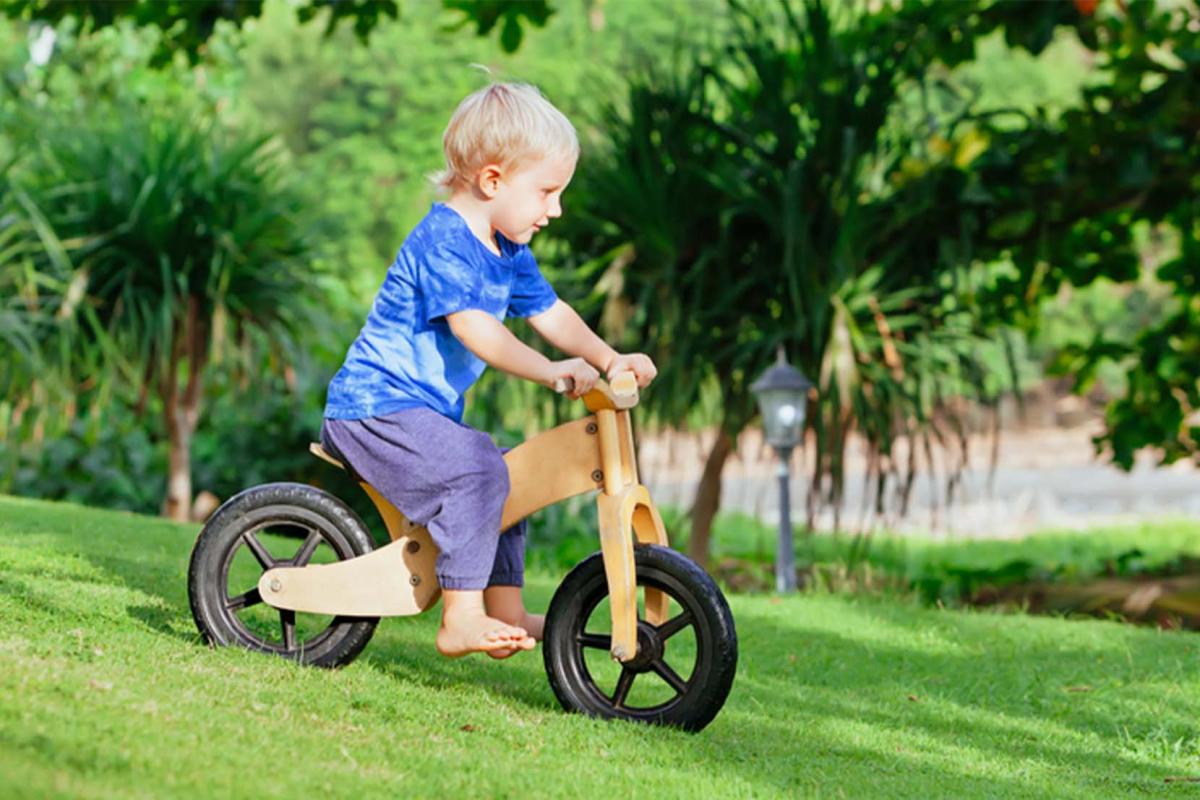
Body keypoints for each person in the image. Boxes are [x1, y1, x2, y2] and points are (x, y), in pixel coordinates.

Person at [320, 82, 657, 658]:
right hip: (374, 410)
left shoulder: (507, 247)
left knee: (509, 472)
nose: (555, 210)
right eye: (547, 191)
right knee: (478, 471)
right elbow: (475, 328)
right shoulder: (445, 240)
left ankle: (503, 609)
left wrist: (608, 358)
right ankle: (462, 617)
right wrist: (551, 371)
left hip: (415, 415)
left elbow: (551, 311)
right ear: (493, 180)